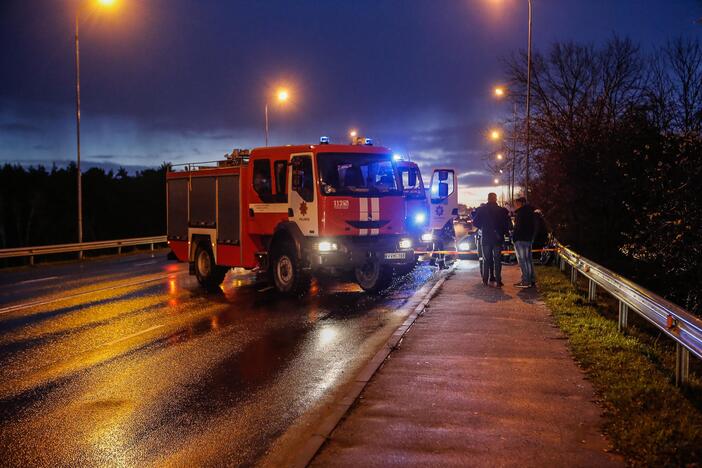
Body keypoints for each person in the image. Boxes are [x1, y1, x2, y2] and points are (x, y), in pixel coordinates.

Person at [472, 193, 511, 287]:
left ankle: (485, 280)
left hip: (486, 237)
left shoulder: (482, 210)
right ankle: (498, 281)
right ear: (496, 199)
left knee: (486, 260)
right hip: (497, 238)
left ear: (488, 198)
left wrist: (483, 227)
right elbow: (506, 224)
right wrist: (503, 232)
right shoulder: (501, 211)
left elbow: (475, 222)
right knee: (497, 260)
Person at [513, 197, 536, 288]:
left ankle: (526, 281)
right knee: (528, 260)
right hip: (528, 239)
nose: (515, 206)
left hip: (520, 239)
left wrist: (514, 238)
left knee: (523, 260)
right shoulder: (531, 212)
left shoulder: (520, 213)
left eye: (516, 204)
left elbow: (518, 227)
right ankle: (531, 279)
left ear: (521, 203)